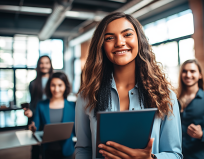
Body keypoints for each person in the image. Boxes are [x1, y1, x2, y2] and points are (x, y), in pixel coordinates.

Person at [75, 12, 182, 159]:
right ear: (101, 46)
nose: (119, 42)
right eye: (110, 38)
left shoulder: (165, 96)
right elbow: (83, 150)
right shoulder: (87, 97)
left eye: (127, 34)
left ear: (139, 40)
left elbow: (174, 154)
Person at [29, 72, 75, 159]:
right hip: (47, 151)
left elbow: (77, 130)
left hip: (67, 150)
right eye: (53, 85)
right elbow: (36, 125)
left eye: (60, 85)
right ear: (48, 86)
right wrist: (33, 127)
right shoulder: (41, 105)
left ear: (65, 86)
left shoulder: (73, 106)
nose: (56, 89)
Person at [23, 55, 53, 159]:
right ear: (38, 65)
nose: (44, 65)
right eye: (41, 63)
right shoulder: (33, 83)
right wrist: (30, 112)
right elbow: (33, 102)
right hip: (37, 116)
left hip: (51, 116)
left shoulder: (55, 81)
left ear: (50, 65)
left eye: (46, 63)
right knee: (35, 146)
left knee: (51, 146)